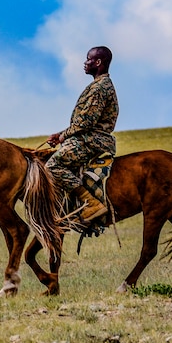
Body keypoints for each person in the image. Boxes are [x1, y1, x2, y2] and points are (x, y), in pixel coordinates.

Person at [46, 46, 119, 225]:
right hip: (88, 138)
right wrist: (62, 134)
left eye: (88, 59)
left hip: (92, 141)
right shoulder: (99, 85)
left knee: (52, 166)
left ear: (98, 62)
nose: (85, 63)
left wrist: (63, 136)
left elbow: (85, 123)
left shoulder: (99, 88)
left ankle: (92, 204)